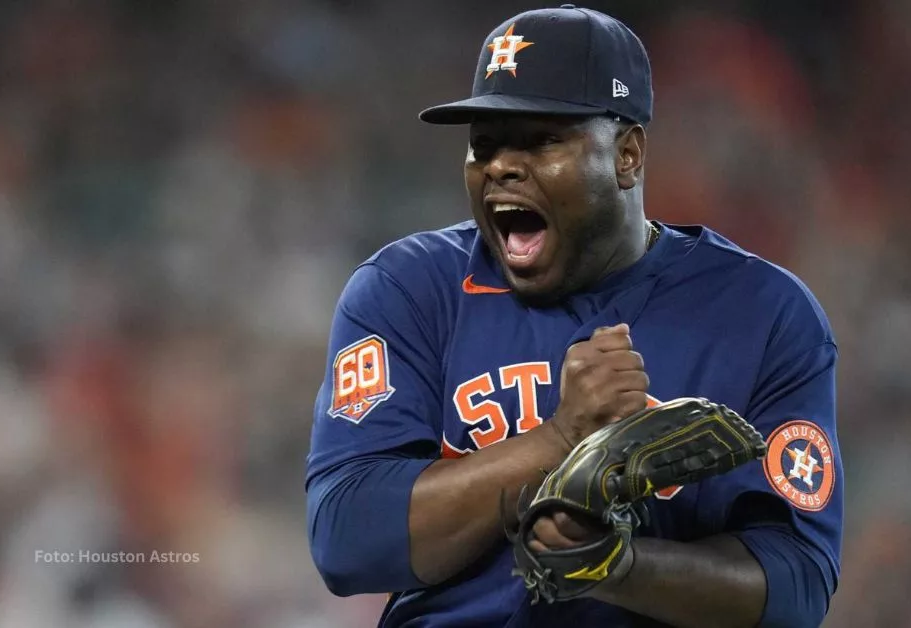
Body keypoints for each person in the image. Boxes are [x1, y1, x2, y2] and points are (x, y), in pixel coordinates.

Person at [306, 5, 842, 627]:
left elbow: (796, 589)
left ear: (628, 155)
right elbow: (346, 541)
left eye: (541, 140)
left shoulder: (763, 314)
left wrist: (617, 567)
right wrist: (560, 440)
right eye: (484, 145)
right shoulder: (410, 290)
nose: (501, 166)